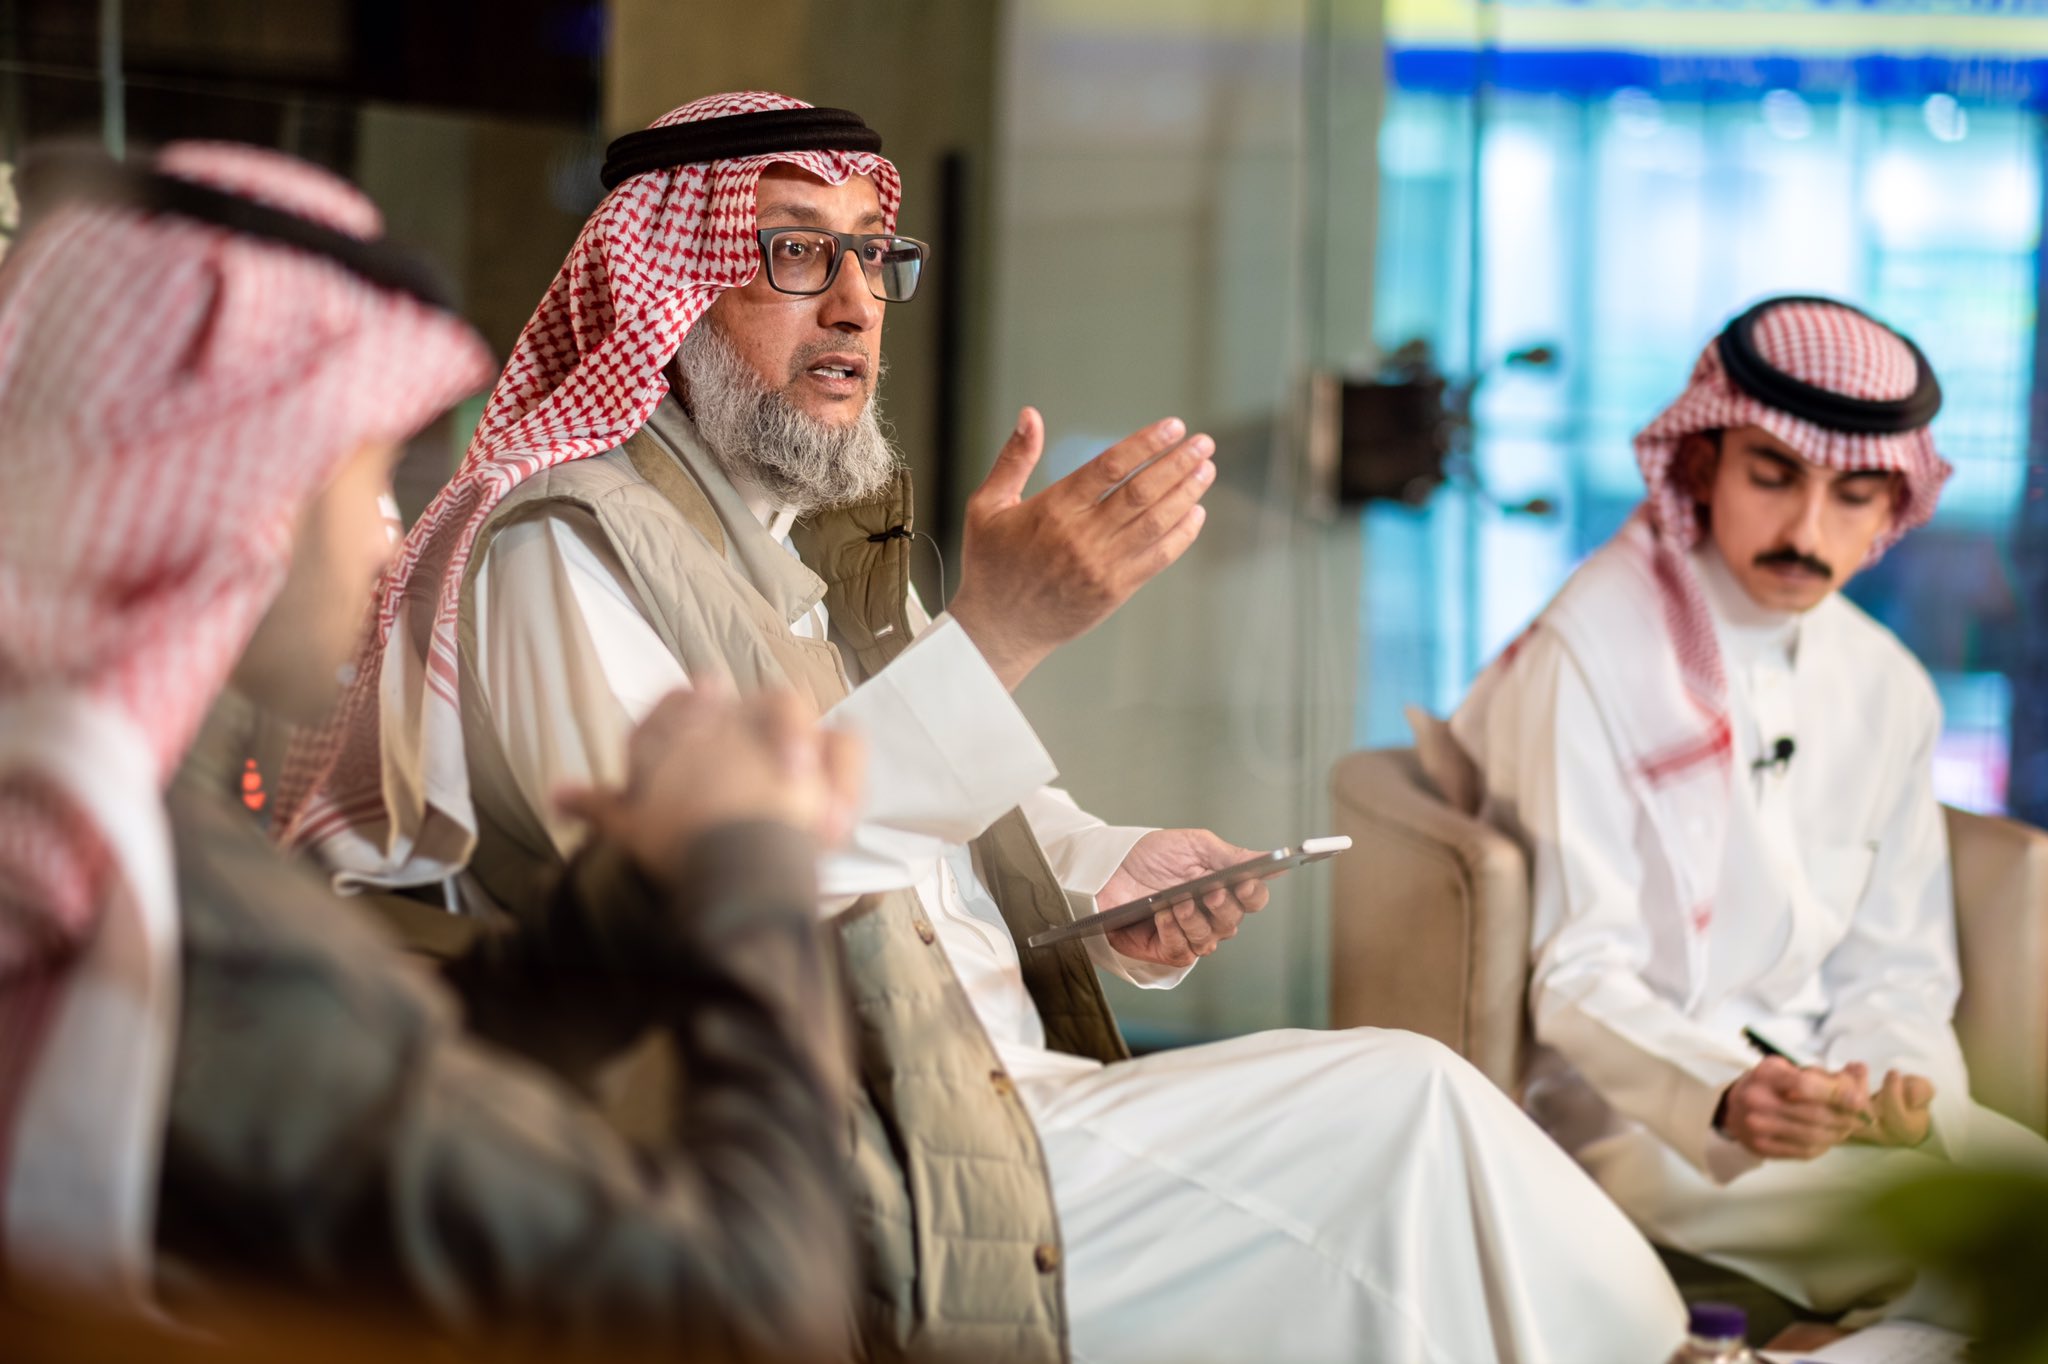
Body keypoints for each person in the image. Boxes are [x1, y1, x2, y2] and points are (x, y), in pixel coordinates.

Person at [285, 91, 1685, 1363]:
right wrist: (1001, 634)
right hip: (861, 1162)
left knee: (1426, 1191)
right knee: (1409, 1115)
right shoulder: (562, 547)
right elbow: (719, 892)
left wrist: (1100, 868)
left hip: (992, 1101)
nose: (854, 305)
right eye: (793, 252)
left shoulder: (798, 538)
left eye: (868, 256)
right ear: (671, 284)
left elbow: (926, 823)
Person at [0, 141, 865, 1361]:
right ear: (242, 492)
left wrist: (622, 909)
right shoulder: (143, 899)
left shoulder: (79, 825)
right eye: (363, 474)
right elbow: (751, 1314)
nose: (387, 538)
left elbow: (354, 1089)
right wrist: (750, 866)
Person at [1444, 294, 2048, 1319]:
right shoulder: (1587, 653)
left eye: (1852, 495)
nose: (1806, 531)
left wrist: (1898, 1090)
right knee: (1984, 1270)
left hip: (1831, 1102)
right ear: (1702, 462)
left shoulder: (1887, 684)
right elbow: (1578, 975)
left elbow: (1895, 968)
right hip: (1644, 1117)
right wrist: (1726, 1094)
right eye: (1772, 476)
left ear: (1891, 507)